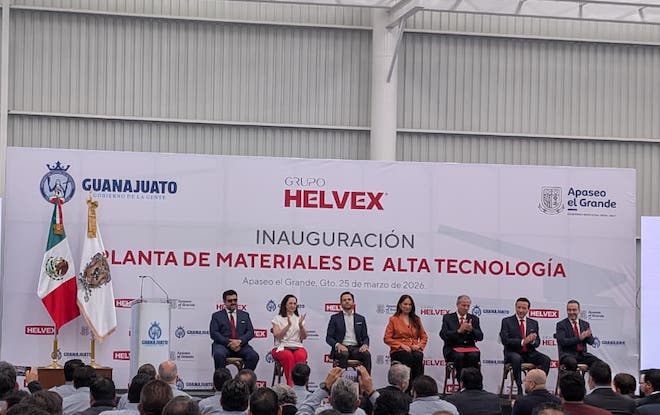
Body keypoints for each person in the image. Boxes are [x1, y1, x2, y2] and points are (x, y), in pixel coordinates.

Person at [500, 297, 551, 395]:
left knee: (546, 359)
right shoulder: (506, 321)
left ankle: (538, 387)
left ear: (528, 309)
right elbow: (505, 340)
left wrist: (532, 341)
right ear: (515, 307)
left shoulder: (534, 323)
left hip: (529, 353)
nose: (520, 310)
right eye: (518, 307)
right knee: (516, 358)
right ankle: (519, 388)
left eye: (524, 308)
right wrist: (523, 341)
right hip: (512, 352)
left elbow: (537, 342)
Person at [383, 295, 428, 388]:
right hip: (399, 350)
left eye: (410, 304)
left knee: (418, 355)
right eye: (405, 304)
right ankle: (407, 387)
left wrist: (419, 346)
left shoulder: (416, 319)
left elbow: (424, 337)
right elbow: (387, 338)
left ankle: (417, 388)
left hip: (413, 349)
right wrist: (401, 345)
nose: (407, 306)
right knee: (408, 356)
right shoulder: (393, 319)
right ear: (400, 305)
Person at [210, 290, 259, 371]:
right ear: (224, 302)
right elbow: (214, 333)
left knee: (254, 356)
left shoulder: (245, 315)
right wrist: (229, 343)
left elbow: (250, 332)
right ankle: (221, 378)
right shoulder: (216, 316)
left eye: (235, 300)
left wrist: (239, 341)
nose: (233, 302)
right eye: (230, 300)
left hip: (241, 346)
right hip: (223, 346)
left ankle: (242, 377)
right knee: (219, 354)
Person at [439, 295, 483, 380]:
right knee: (460, 356)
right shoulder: (448, 318)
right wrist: (458, 331)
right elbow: (443, 334)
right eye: (463, 305)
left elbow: (480, 337)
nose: (466, 308)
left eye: (468, 306)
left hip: (469, 348)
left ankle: (472, 381)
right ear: (457, 305)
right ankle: (461, 380)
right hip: (452, 349)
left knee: (474, 355)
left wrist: (472, 330)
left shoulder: (474, 319)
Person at [326, 292, 371, 373]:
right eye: (344, 300)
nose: (347, 301)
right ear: (341, 303)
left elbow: (365, 337)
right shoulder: (335, 318)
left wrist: (365, 344)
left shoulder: (361, 318)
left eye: (349, 299)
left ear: (353, 302)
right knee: (344, 354)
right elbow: (329, 337)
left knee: (366, 354)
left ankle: (365, 379)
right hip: (341, 348)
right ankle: (339, 380)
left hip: (356, 349)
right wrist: (338, 345)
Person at [271, 294, 308, 387]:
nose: (293, 306)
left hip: (297, 346)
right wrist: (288, 326)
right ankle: (291, 386)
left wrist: (301, 326)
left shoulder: (299, 319)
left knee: (300, 356)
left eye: (294, 304)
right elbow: (278, 336)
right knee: (288, 356)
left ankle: (300, 386)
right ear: (285, 305)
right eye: (290, 303)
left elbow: (304, 337)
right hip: (281, 347)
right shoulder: (277, 318)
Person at [555, 300, 600, 372]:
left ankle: (593, 379)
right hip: (567, 354)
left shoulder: (585, 324)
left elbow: (591, 342)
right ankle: (575, 379)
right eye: (569, 310)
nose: (571, 312)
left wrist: (588, 336)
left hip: (583, 355)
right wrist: (579, 338)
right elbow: (562, 341)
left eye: (574, 310)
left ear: (579, 310)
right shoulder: (561, 324)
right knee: (572, 363)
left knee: (599, 364)